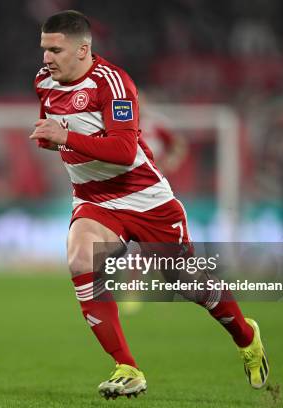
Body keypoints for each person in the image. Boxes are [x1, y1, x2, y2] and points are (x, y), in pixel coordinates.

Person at [29, 10, 268, 399]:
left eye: (55, 49)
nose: (46, 58)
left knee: (185, 283)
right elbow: (54, 125)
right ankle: (127, 367)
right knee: (80, 260)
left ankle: (246, 336)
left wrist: (66, 137)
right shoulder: (44, 82)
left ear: (83, 49)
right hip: (94, 200)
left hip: (146, 201)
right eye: (44, 49)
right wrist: (50, 137)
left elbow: (124, 151)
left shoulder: (114, 83)